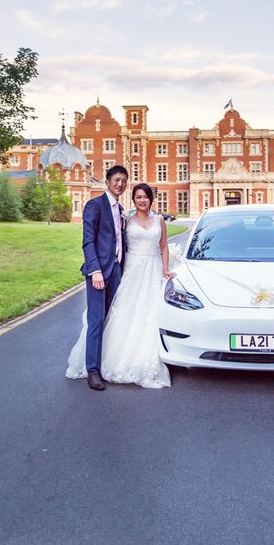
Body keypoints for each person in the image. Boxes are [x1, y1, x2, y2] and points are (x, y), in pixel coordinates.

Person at [66, 182, 175, 389]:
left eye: (146, 196)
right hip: (131, 270)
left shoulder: (159, 220)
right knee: (122, 313)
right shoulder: (126, 219)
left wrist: (166, 269)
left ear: (151, 198)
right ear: (133, 199)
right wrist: (97, 268)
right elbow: (113, 241)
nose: (142, 200)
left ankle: (149, 357)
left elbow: (163, 246)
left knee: (149, 314)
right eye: (138, 197)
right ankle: (101, 363)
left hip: (152, 269)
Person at [75, 165, 128, 391]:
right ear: (107, 182)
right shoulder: (94, 205)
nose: (120, 184)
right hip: (98, 272)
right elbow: (88, 240)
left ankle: (107, 363)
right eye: (116, 179)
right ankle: (93, 371)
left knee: (111, 319)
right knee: (96, 320)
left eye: (124, 181)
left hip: (117, 270)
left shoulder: (121, 209)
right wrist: (94, 270)